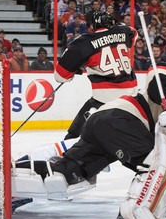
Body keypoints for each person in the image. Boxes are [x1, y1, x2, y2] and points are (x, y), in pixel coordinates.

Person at [14, 66, 166, 219]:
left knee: (66, 174)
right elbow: (157, 80)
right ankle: (132, 212)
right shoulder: (164, 85)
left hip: (103, 122)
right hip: (119, 118)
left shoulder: (159, 117)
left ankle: (8, 176)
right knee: (153, 161)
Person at [54, 11, 138, 140]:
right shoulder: (125, 32)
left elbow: (60, 76)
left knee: (74, 137)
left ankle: (67, 153)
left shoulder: (83, 43)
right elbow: (134, 33)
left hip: (104, 99)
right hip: (132, 97)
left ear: (92, 25)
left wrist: (75, 70)